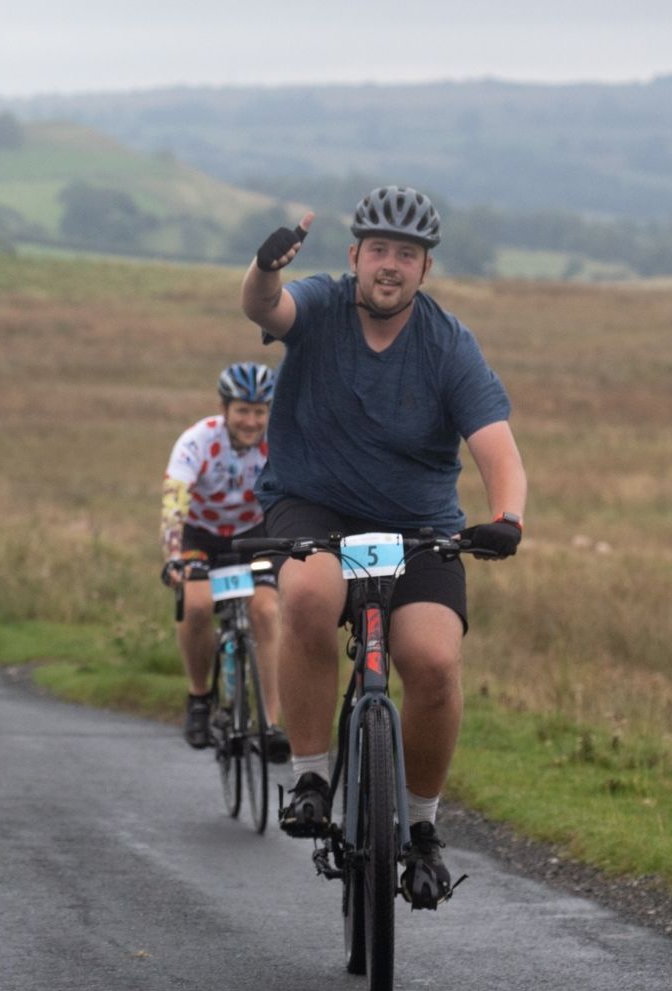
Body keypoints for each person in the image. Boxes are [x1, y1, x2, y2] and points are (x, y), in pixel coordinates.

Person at [241, 186, 527, 909]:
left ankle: (423, 832)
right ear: (354, 257)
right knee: (307, 595)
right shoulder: (323, 305)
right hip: (315, 508)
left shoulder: (448, 343)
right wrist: (265, 268)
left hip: (416, 526)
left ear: (425, 268)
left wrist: (508, 517)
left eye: (407, 255)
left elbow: (496, 445)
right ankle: (310, 776)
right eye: (378, 251)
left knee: (430, 662)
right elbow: (265, 310)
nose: (390, 266)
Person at [159, 363, 287, 760]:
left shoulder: (280, 443)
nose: (251, 421)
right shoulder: (197, 441)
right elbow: (174, 502)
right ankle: (199, 698)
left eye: (259, 412)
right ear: (224, 408)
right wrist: (174, 556)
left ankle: (272, 723)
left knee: (265, 611)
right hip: (201, 536)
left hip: (253, 535)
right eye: (242, 411)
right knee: (196, 605)